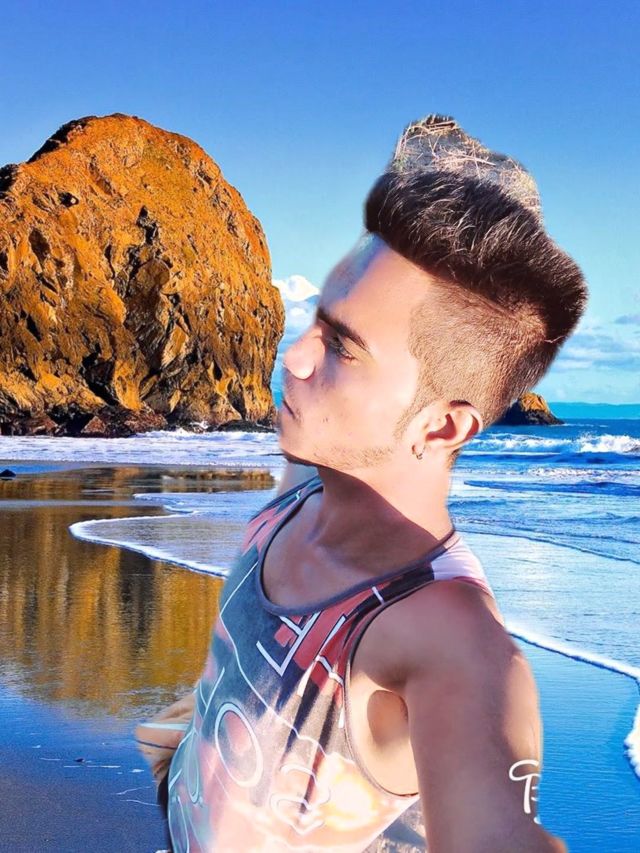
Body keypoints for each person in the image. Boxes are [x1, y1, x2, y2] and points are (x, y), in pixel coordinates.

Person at [139, 114, 587, 851]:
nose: (293, 358)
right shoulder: (306, 482)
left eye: (343, 348)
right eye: (316, 323)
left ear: (440, 427)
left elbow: (499, 829)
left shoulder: (445, 635)